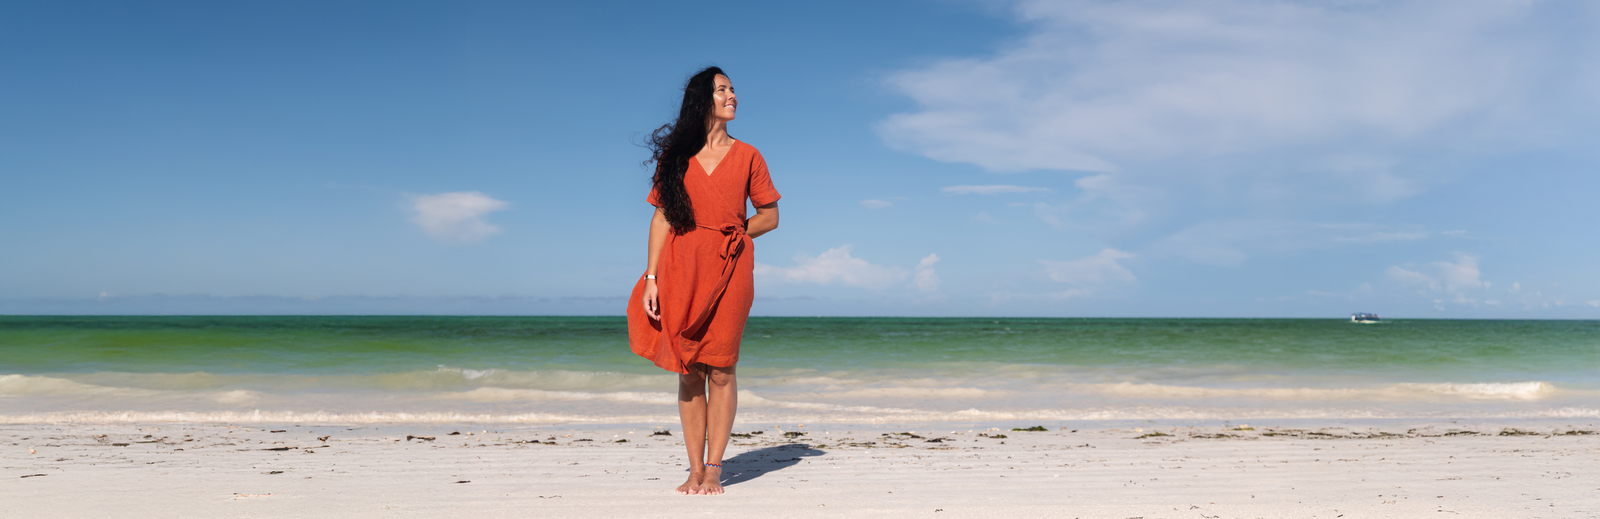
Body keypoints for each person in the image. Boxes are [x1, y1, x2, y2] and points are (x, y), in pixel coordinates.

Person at [627, 66, 780, 496]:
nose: (732, 95)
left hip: (730, 270)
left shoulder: (749, 155)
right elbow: (661, 217)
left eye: (733, 89)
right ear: (702, 100)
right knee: (689, 369)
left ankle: (715, 469)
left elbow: (770, 216)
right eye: (723, 90)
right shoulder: (675, 157)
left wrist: (736, 233)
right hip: (680, 268)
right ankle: (694, 468)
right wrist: (652, 276)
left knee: (723, 370)